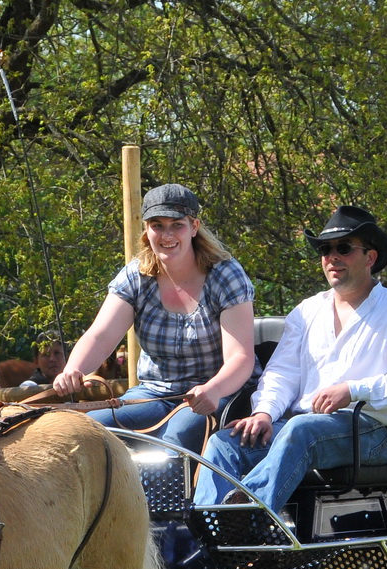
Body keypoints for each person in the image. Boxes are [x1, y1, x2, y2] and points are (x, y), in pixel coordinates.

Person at [194, 205, 387, 513]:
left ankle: (248, 518)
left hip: (370, 433)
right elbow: (282, 373)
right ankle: (209, 530)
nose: (332, 257)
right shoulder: (306, 312)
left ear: (370, 257)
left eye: (343, 248)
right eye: (325, 249)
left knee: (300, 430)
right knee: (224, 444)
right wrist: (264, 413)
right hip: (299, 429)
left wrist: (352, 389)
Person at [55, 184, 254, 453]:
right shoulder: (136, 276)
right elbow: (100, 336)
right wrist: (74, 369)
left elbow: (241, 358)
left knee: (177, 439)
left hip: (217, 394)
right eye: (157, 225)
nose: (166, 235)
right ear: (146, 230)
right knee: (85, 431)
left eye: (177, 225)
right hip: (154, 394)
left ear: (194, 227)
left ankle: (172, 495)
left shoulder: (226, 275)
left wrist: (214, 390)